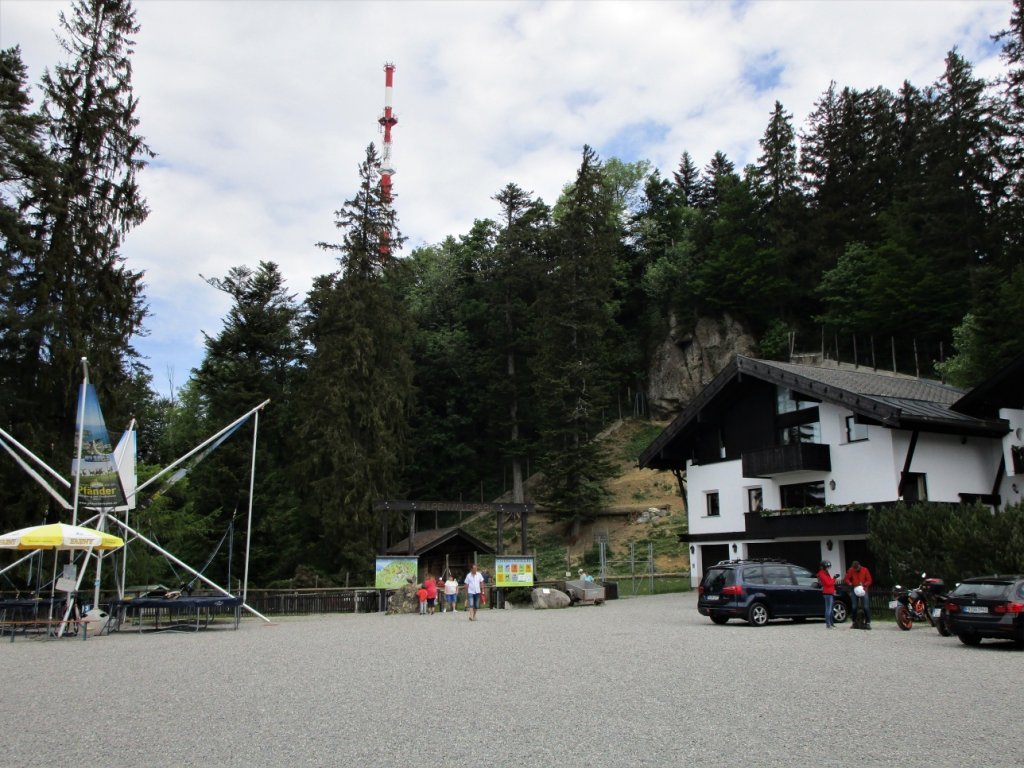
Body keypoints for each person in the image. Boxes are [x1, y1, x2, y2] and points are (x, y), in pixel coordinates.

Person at [845, 560, 873, 629]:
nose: (855, 570)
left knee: (866, 607)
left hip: (863, 589)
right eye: (854, 569)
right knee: (854, 607)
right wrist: (849, 583)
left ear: (859, 566)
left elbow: (869, 580)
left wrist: (864, 584)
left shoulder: (865, 570)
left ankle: (868, 622)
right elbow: (846, 579)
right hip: (854, 589)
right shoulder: (851, 570)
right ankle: (854, 622)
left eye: (856, 569)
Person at [816, 560, 836, 629]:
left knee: (830, 609)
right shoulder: (822, 574)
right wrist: (834, 579)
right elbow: (828, 583)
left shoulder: (825, 573)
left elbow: (830, 582)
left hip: (830, 592)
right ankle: (828, 624)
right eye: (827, 567)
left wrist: (833, 580)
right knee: (828, 609)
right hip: (827, 593)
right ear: (824, 567)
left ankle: (831, 623)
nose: (828, 568)